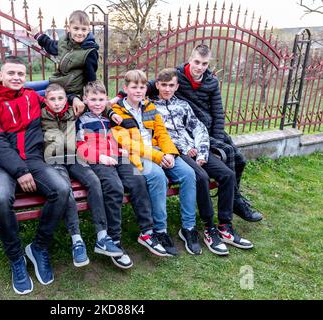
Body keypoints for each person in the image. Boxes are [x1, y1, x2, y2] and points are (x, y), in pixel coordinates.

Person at [0, 56, 77, 295]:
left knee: (61, 190)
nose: (16, 78)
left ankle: (39, 247)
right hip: (2, 164)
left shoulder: (32, 97)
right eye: (11, 73)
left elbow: (56, 100)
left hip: (33, 159)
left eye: (21, 74)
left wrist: (76, 99)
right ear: (0, 75)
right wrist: (20, 171)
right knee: (0, 199)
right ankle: (16, 258)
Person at [139, 44, 263, 222]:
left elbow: (218, 112)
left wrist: (217, 140)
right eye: (197, 62)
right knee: (222, 159)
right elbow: (151, 84)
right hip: (185, 136)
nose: (199, 67)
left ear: (208, 64)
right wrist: (121, 95)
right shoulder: (177, 76)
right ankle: (231, 201)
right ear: (190, 59)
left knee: (238, 159)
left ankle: (235, 199)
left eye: (204, 64)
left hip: (207, 130)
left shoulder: (211, 81)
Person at [152, 68, 254, 255]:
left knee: (227, 175)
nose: (167, 89)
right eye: (163, 85)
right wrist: (184, 150)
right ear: (157, 85)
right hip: (176, 153)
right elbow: (157, 137)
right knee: (201, 177)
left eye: (171, 85)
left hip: (195, 150)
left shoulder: (183, 105)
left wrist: (201, 152)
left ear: (177, 86)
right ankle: (209, 228)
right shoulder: (150, 108)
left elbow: (198, 129)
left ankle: (225, 225)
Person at [77, 80, 168, 268]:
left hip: (119, 157)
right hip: (99, 161)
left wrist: (121, 150)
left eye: (101, 99)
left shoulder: (110, 117)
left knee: (138, 181)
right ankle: (114, 240)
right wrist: (100, 157)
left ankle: (147, 231)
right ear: (85, 99)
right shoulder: (82, 120)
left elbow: (120, 134)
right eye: (93, 99)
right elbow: (80, 147)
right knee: (115, 188)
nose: (97, 103)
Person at [111, 70, 202, 256]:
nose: (138, 91)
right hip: (137, 156)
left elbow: (162, 133)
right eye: (134, 87)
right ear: (125, 88)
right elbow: (128, 144)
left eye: (142, 87)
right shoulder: (117, 113)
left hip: (160, 151)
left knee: (188, 174)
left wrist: (168, 152)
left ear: (147, 88)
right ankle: (160, 230)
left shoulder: (149, 106)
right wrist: (159, 157)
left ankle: (188, 227)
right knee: (158, 177)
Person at [41, 83, 124, 267]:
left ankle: (102, 236)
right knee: (66, 189)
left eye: (60, 98)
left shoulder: (74, 110)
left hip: (74, 158)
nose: (56, 103)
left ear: (67, 100)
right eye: (52, 99)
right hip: (54, 160)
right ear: (45, 100)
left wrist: (110, 112)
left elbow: (101, 102)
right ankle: (77, 240)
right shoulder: (41, 114)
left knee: (94, 181)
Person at [34, 10, 98, 114]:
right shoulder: (65, 42)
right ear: (69, 28)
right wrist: (37, 35)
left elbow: (91, 79)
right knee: (25, 87)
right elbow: (51, 46)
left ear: (88, 30)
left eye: (83, 29)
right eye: (76, 28)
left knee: (30, 96)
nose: (80, 33)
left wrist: (87, 98)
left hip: (69, 90)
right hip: (57, 82)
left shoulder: (89, 52)